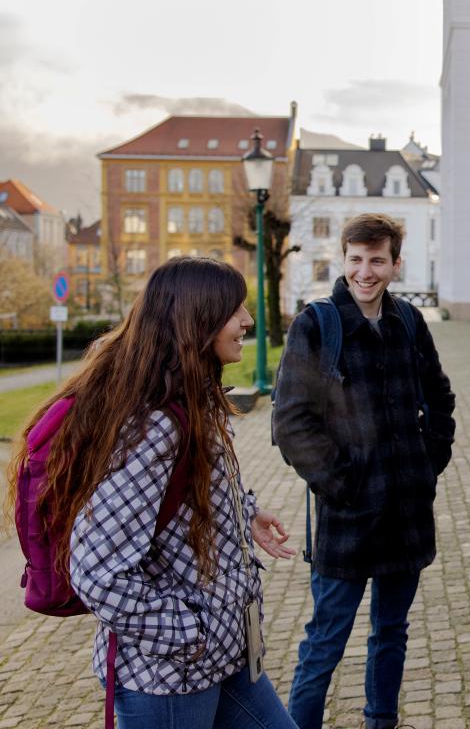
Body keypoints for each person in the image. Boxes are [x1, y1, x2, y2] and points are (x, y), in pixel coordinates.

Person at [5, 256, 298, 728]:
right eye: (234, 310)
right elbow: (97, 571)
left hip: (226, 653)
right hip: (170, 679)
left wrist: (247, 514)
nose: (247, 320)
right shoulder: (155, 428)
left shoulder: (193, 394)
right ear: (195, 320)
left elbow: (198, 490)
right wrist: (190, 633)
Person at [273, 213, 456, 729]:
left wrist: (428, 461)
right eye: (356, 259)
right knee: (325, 642)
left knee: (391, 632)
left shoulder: (409, 322)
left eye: (377, 260)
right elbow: (291, 422)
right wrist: (342, 484)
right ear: (344, 260)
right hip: (348, 518)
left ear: (396, 264)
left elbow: (439, 395)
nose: (365, 271)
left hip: (406, 514)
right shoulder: (317, 324)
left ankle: (382, 721)